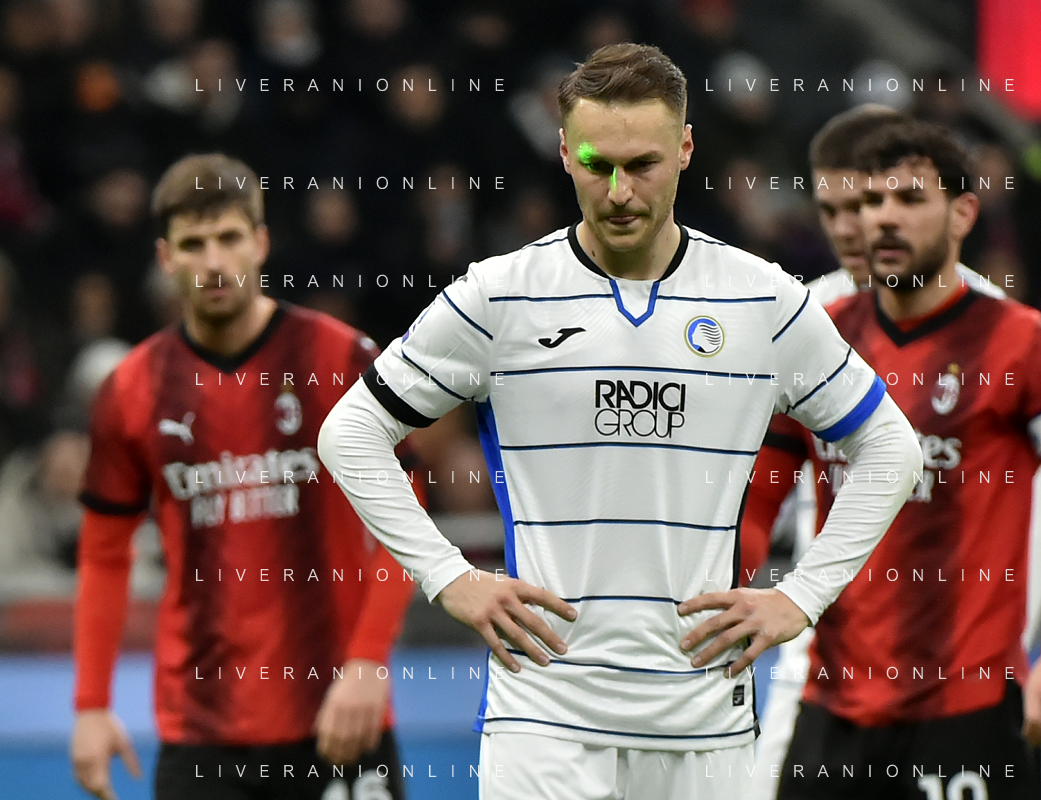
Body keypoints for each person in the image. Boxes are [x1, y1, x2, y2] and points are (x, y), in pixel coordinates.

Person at [318, 43, 923, 800]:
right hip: (543, 719)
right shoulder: (500, 296)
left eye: (642, 165)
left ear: (685, 149)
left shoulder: (761, 300)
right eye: (596, 164)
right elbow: (349, 433)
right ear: (563, 152)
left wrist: (800, 597)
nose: (619, 192)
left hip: (704, 723)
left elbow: (891, 449)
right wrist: (450, 578)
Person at [773, 120, 1041, 799]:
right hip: (830, 703)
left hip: (969, 709)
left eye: (909, 199)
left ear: (963, 213)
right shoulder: (818, 337)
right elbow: (758, 494)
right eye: (869, 201)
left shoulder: (1022, 342)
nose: (881, 218)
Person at [70, 154, 417, 800]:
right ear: (165, 257)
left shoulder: (339, 357)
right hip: (201, 733)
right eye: (192, 244)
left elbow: (408, 513)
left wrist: (369, 659)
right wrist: (91, 704)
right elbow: (103, 554)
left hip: (338, 714)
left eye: (228, 237)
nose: (213, 262)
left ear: (260, 242)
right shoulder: (130, 390)